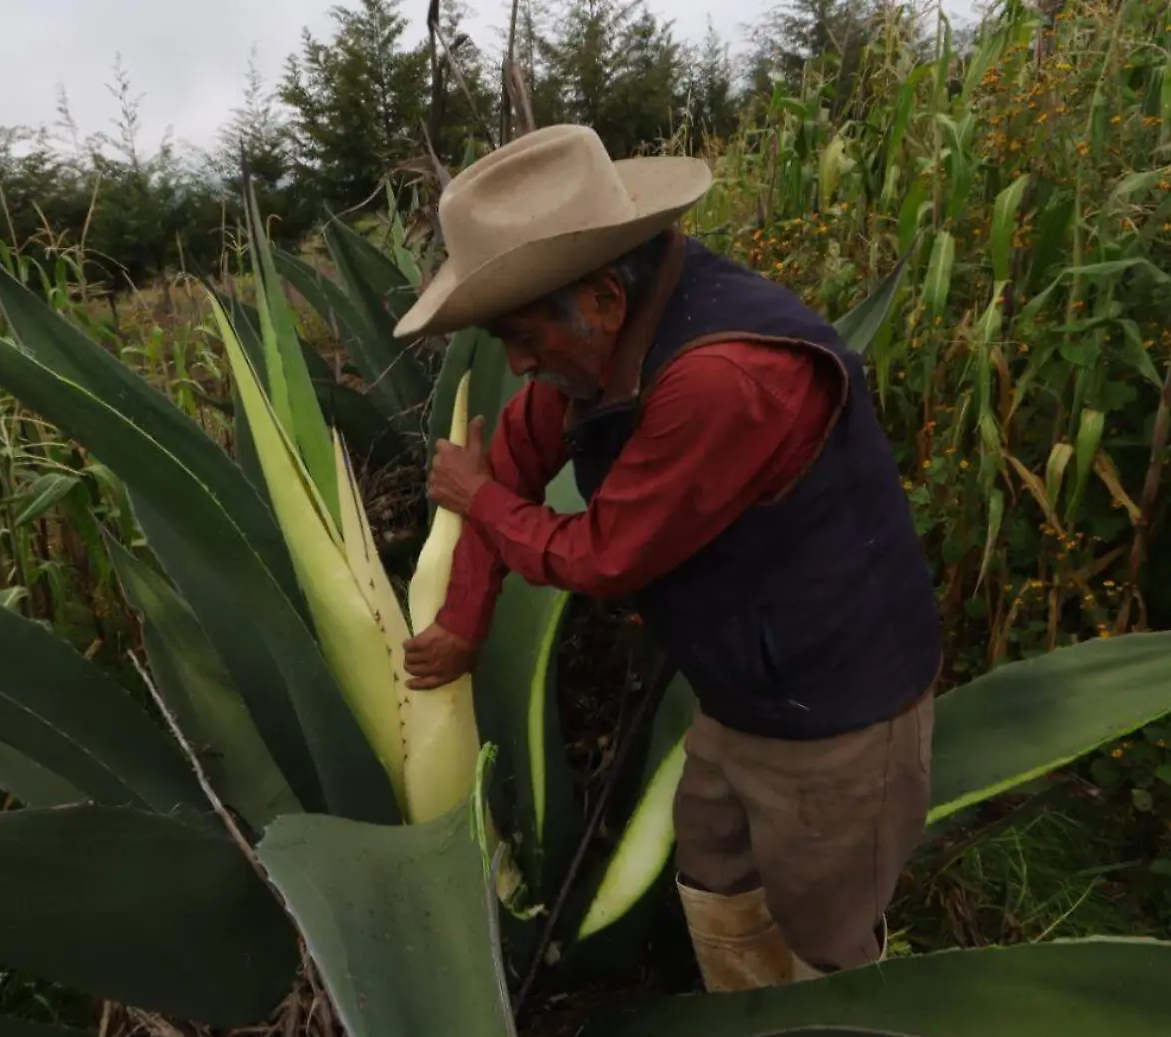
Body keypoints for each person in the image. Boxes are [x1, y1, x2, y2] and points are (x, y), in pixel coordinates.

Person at [395, 124, 943, 990]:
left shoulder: (722, 378)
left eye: (523, 336)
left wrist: (478, 502)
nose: (516, 363)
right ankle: (749, 1027)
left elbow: (605, 555)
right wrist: (463, 623)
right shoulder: (587, 356)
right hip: (740, 684)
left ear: (604, 299)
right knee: (716, 870)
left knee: (825, 930)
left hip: (837, 706)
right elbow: (507, 464)